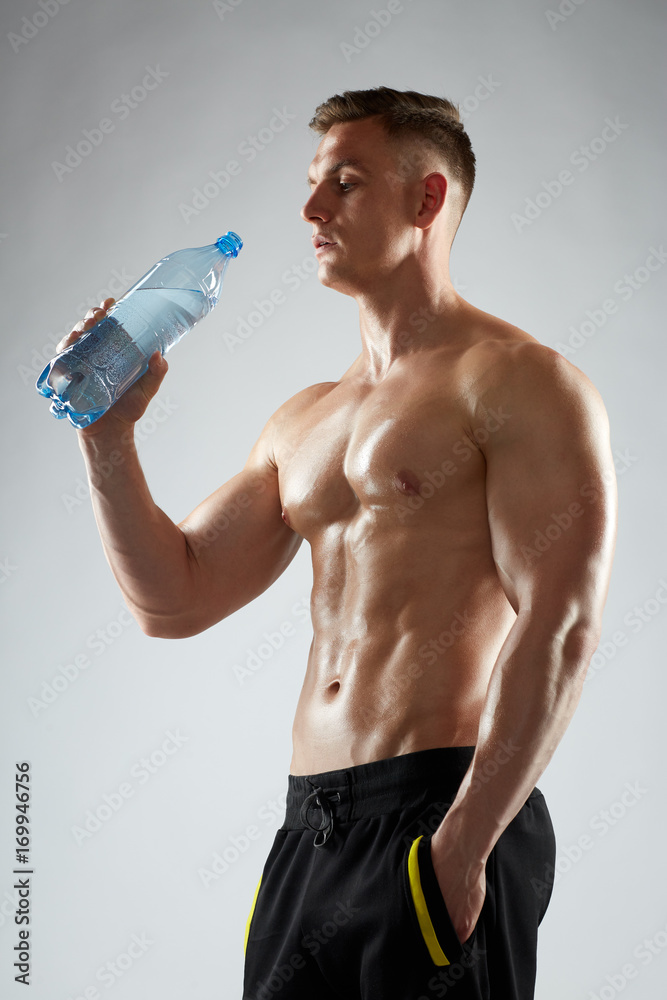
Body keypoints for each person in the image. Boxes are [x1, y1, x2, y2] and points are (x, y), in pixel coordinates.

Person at [62, 87, 617, 998]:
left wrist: (464, 844)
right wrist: (108, 440)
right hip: (309, 831)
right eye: (312, 184)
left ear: (427, 200)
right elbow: (173, 597)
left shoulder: (520, 384)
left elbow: (560, 624)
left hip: (436, 815)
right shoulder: (304, 419)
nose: (310, 210)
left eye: (344, 184)